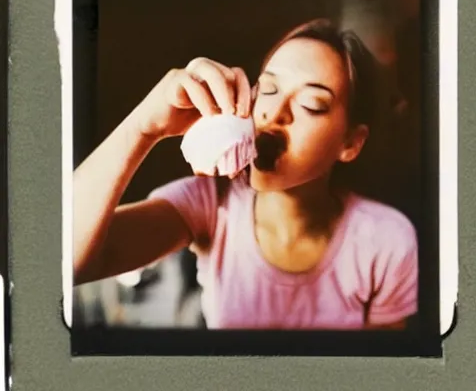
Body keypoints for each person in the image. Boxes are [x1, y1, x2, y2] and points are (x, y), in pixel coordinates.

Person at [73, 18, 418, 330]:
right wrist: (145, 126)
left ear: (350, 143)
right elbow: (66, 261)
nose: (275, 112)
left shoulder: (386, 242)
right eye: (267, 90)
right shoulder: (207, 205)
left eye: (312, 104)